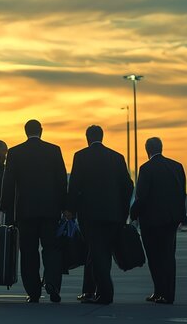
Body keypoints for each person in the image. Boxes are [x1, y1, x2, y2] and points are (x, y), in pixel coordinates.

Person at [0, 120, 68, 303]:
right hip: (50, 212)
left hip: (25, 213)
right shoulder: (54, 150)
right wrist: (65, 207)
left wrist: (5, 207)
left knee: (29, 252)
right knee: (51, 249)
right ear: (41, 131)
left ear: (25, 132)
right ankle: (53, 283)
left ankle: (34, 292)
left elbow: (8, 183)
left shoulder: (15, 152)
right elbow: (62, 181)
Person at [66, 125, 133, 305]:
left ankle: (105, 293)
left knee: (97, 253)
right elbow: (128, 186)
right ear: (102, 137)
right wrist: (123, 211)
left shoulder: (81, 156)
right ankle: (91, 291)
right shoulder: (117, 157)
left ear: (87, 138)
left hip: (90, 216)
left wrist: (70, 210)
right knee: (102, 253)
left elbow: (74, 186)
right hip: (113, 216)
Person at [130, 137, 186, 304]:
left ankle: (159, 291)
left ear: (147, 150)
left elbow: (142, 197)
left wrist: (133, 214)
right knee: (169, 256)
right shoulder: (176, 166)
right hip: (171, 219)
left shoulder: (146, 169)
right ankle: (169, 293)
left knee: (154, 257)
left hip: (151, 221)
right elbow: (182, 193)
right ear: (161, 148)